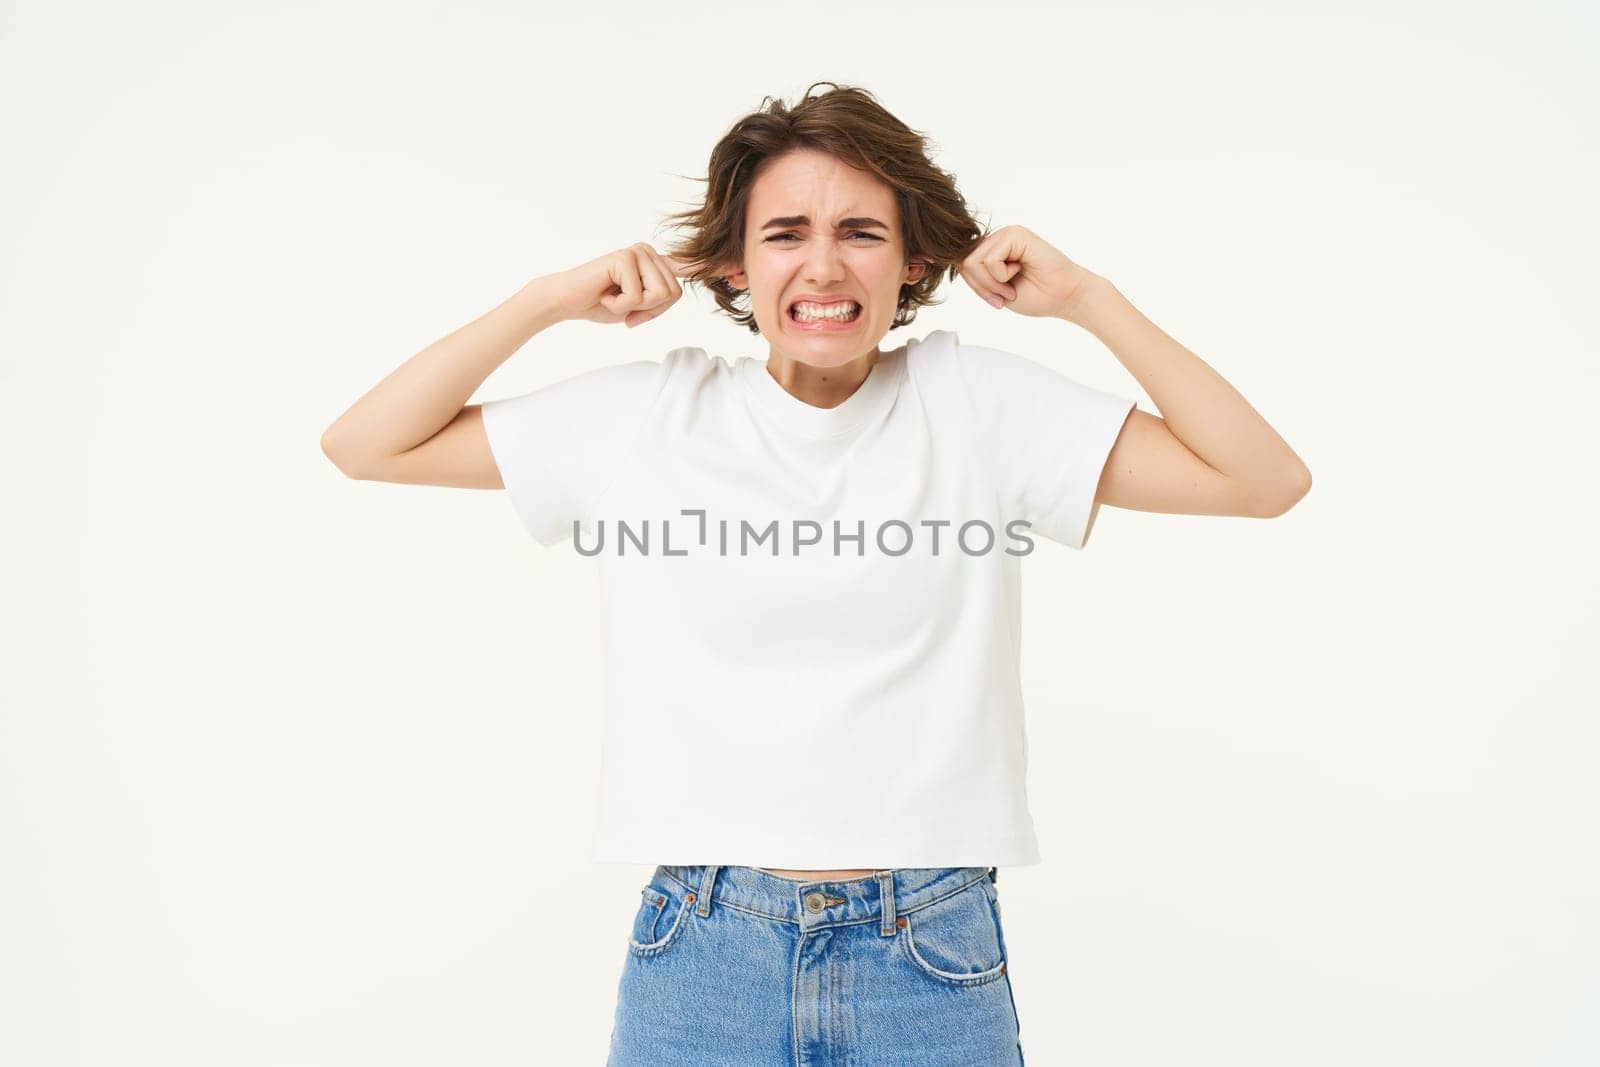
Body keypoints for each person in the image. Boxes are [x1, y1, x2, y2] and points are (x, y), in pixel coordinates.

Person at [320, 82, 1311, 1066]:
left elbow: (1262, 479)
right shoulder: (650, 416)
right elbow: (365, 443)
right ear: (733, 264)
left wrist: (1090, 299)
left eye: (863, 233)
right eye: (786, 232)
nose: (824, 265)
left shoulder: (973, 402)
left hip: (927, 948)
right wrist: (545, 302)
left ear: (915, 257)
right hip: (702, 950)